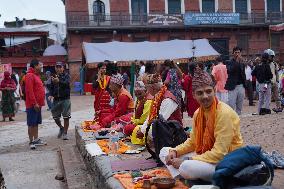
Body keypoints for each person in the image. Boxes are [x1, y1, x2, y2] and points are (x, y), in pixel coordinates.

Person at [159, 67, 243, 181]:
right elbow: (192, 142)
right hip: (206, 156)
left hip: (227, 162)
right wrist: (175, 151)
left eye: (208, 91)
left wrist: (187, 160)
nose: (205, 96)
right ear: (193, 95)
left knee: (186, 166)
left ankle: (183, 175)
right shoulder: (198, 113)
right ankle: (182, 176)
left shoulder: (224, 113)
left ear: (214, 90)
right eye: (200, 93)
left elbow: (219, 154)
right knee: (165, 152)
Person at [137, 73, 183, 142]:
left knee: (149, 131)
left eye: (147, 88)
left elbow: (160, 121)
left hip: (173, 132)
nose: (147, 91)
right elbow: (150, 117)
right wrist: (142, 129)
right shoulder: (157, 96)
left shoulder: (168, 99)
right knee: (138, 129)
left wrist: (143, 131)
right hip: (162, 127)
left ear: (152, 88)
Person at [121, 81, 153, 145]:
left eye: (140, 94)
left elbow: (144, 119)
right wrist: (132, 120)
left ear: (145, 91)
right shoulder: (138, 99)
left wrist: (133, 122)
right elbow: (134, 113)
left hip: (146, 124)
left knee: (127, 128)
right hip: (137, 122)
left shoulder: (149, 101)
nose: (138, 96)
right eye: (136, 94)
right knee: (124, 119)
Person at [25, 59, 46, 149]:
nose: (41, 67)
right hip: (32, 105)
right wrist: (34, 103)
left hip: (38, 104)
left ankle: (36, 139)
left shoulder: (36, 75)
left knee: (36, 123)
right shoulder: (29, 75)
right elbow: (30, 91)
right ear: (35, 66)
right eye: (40, 65)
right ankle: (31, 142)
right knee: (31, 123)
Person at [49, 62, 71, 140]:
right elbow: (51, 87)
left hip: (65, 99)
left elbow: (67, 84)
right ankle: (61, 128)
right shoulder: (53, 76)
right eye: (57, 67)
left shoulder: (67, 75)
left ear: (63, 68)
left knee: (66, 117)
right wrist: (51, 94)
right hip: (56, 99)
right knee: (55, 117)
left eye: (60, 67)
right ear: (55, 68)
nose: (58, 69)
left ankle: (65, 133)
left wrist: (59, 81)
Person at [225, 46, 246, 115]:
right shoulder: (228, 62)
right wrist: (237, 62)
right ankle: (231, 118)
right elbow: (230, 71)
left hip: (241, 86)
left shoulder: (242, 63)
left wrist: (245, 85)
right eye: (236, 52)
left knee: (240, 104)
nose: (237, 54)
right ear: (233, 53)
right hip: (232, 86)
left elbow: (243, 74)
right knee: (231, 104)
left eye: (238, 52)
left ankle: (238, 117)